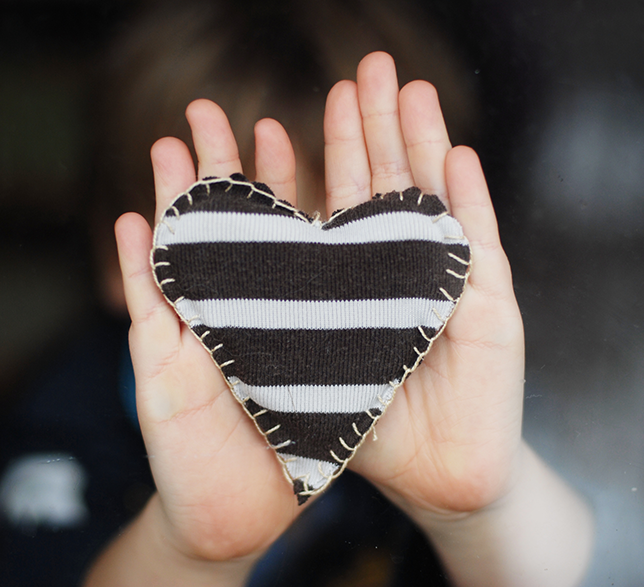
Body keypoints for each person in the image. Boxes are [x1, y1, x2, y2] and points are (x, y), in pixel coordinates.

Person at [82, 51, 595, 587]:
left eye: (360, 278)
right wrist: (192, 555)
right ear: (121, 268)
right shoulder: (72, 417)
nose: (315, 310)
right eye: (253, 273)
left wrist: (478, 513)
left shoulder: (451, 407)